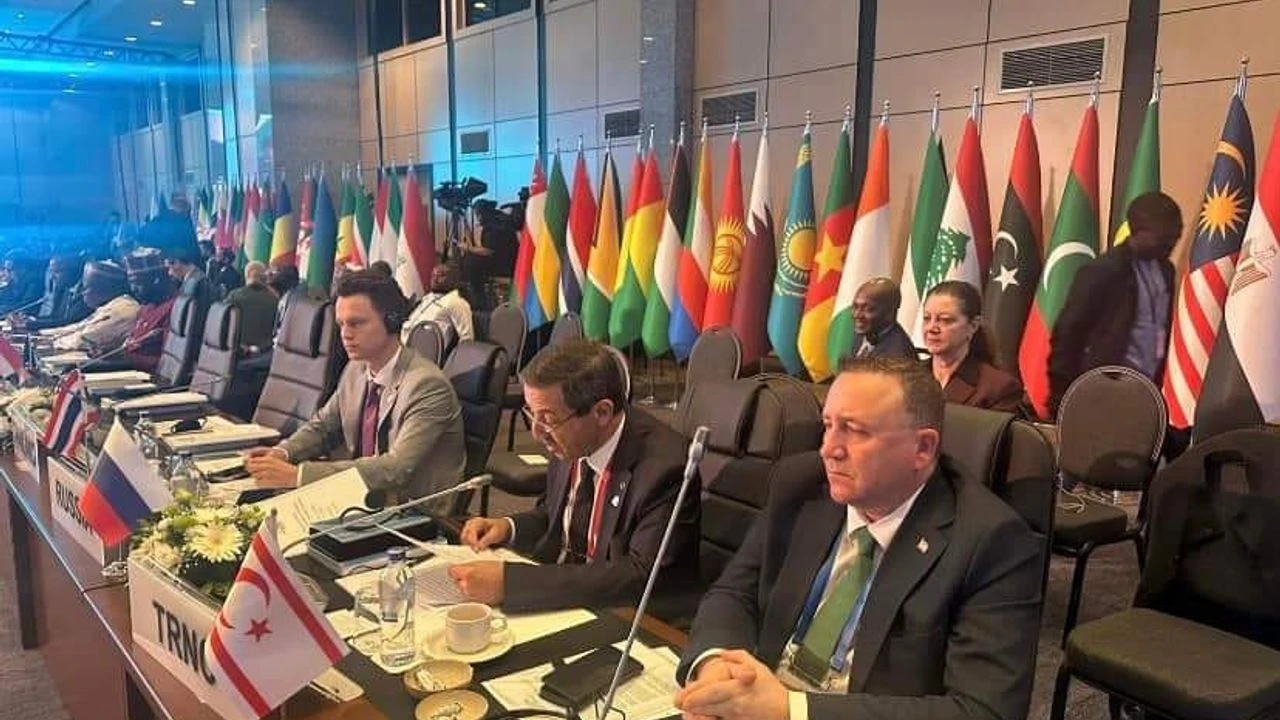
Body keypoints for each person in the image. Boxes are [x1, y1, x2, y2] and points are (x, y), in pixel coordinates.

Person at [674, 356, 1043, 720]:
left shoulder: (992, 542)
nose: (829, 449)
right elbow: (735, 592)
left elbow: (982, 711)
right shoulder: (801, 485)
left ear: (923, 448)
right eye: (828, 426)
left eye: (854, 431)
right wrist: (716, 667)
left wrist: (791, 710)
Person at [450, 339, 700, 613]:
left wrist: (510, 584)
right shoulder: (571, 437)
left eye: (547, 419)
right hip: (562, 597)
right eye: (531, 414)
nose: (537, 433)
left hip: (618, 612)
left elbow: (640, 575)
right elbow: (555, 515)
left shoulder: (666, 468)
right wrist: (508, 528)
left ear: (602, 412)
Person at [243, 270, 467, 507]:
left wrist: (298, 476)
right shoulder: (356, 369)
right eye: (341, 324)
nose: (345, 334)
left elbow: (396, 468)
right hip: (363, 497)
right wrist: (283, 453)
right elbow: (323, 426)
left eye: (356, 323)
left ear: (392, 321)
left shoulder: (427, 385)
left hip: (411, 510)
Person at [1049, 191, 1180, 417]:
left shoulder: (1166, 270)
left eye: (1176, 234)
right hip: (1103, 389)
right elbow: (1068, 333)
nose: (1172, 242)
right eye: (1165, 236)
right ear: (1140, 230)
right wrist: (1062, 397)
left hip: (1147, 389)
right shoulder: (1103, 271)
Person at [922, 281, 1025, 414]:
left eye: (945, 320)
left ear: (973, 326)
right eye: (927, 318)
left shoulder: (999, 388)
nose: (931, 328)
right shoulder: (905, 378)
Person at [42, 261, 140, 353]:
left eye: (85, 287)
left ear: (104, 287)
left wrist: (51, 341)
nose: (82, 293)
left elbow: (85, 338)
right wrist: (43, 334)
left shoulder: (123, 310)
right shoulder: (110, 306)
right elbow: (78, 327)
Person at [121, 248, 177, 373]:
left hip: (153, 379)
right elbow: (132, 346)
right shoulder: (147, 307)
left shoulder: (174, 308)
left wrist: (125, 358)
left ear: (156, 280)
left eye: (136, 283)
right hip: (132, 372)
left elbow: (167, 364)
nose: (133, 289)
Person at [400, 264, 474, 350]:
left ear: (453, 279)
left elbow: (467, 338)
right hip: (403, 346)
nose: (435, 279)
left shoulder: (457, 302)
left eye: (441, 276)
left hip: (424, 352)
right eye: (433, 275)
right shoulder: (428, 298)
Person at [848, 277, 916, 360]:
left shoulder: (898, 355)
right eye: (855, 307)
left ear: (890, 312)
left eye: (868, 309)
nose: (857, 315)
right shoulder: (865, 333)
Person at [225, 261, 279, 353]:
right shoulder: (275, 299)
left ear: (246, 275)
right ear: (264, 277)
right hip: (264, 354)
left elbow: (224, 324)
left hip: (236, 351)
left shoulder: (234, 295)